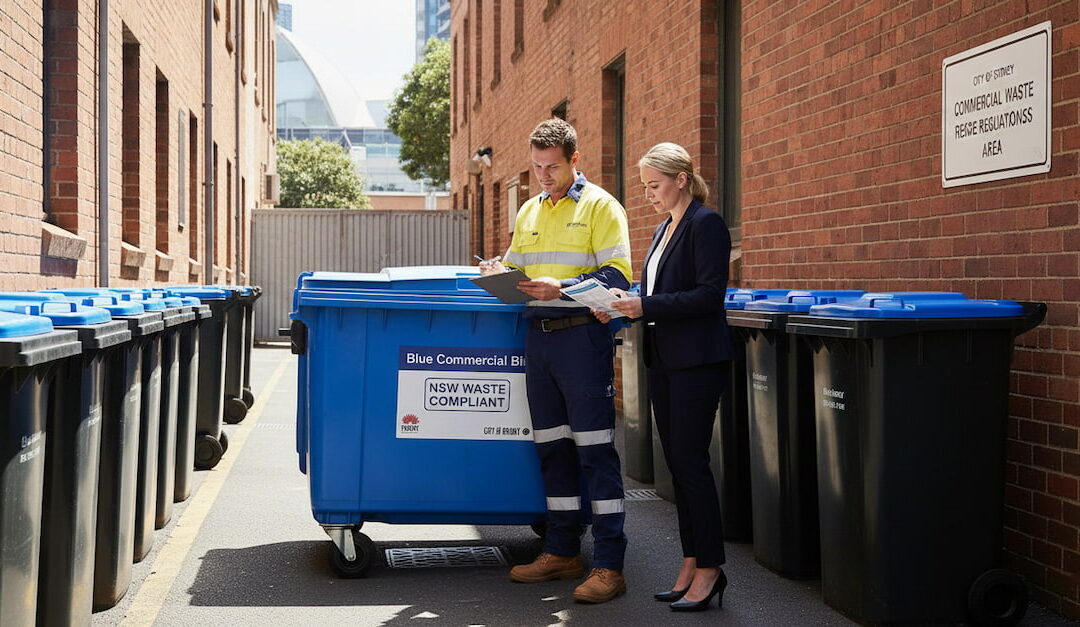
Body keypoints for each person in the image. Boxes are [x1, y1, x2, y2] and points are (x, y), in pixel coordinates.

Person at [479, 118, 632, 604]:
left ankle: (609, 564)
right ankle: (562, 551)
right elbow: (519, 268)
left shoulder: (601, 206)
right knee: (551, 448)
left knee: (595, 452)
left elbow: (618, 277)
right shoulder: (529, 210)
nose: (543, 176)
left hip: (582, 339)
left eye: (552, 167)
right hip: (539, 341)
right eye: (537, 167)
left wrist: (560, 288)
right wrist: (499, 271)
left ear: (574, 161)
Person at [594, 142, 733, 612]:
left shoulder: (705, 224)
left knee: (691, 465)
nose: (648, 194)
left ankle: (710, 568)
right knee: (678, 466)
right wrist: (621, 304)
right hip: (665, 361)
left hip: (697, 363)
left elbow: (709, 295)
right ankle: (691, 562)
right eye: (644, 186)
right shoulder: (661, 230)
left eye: (654, 185)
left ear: (681, 179)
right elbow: (657, 292)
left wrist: (645, 305)